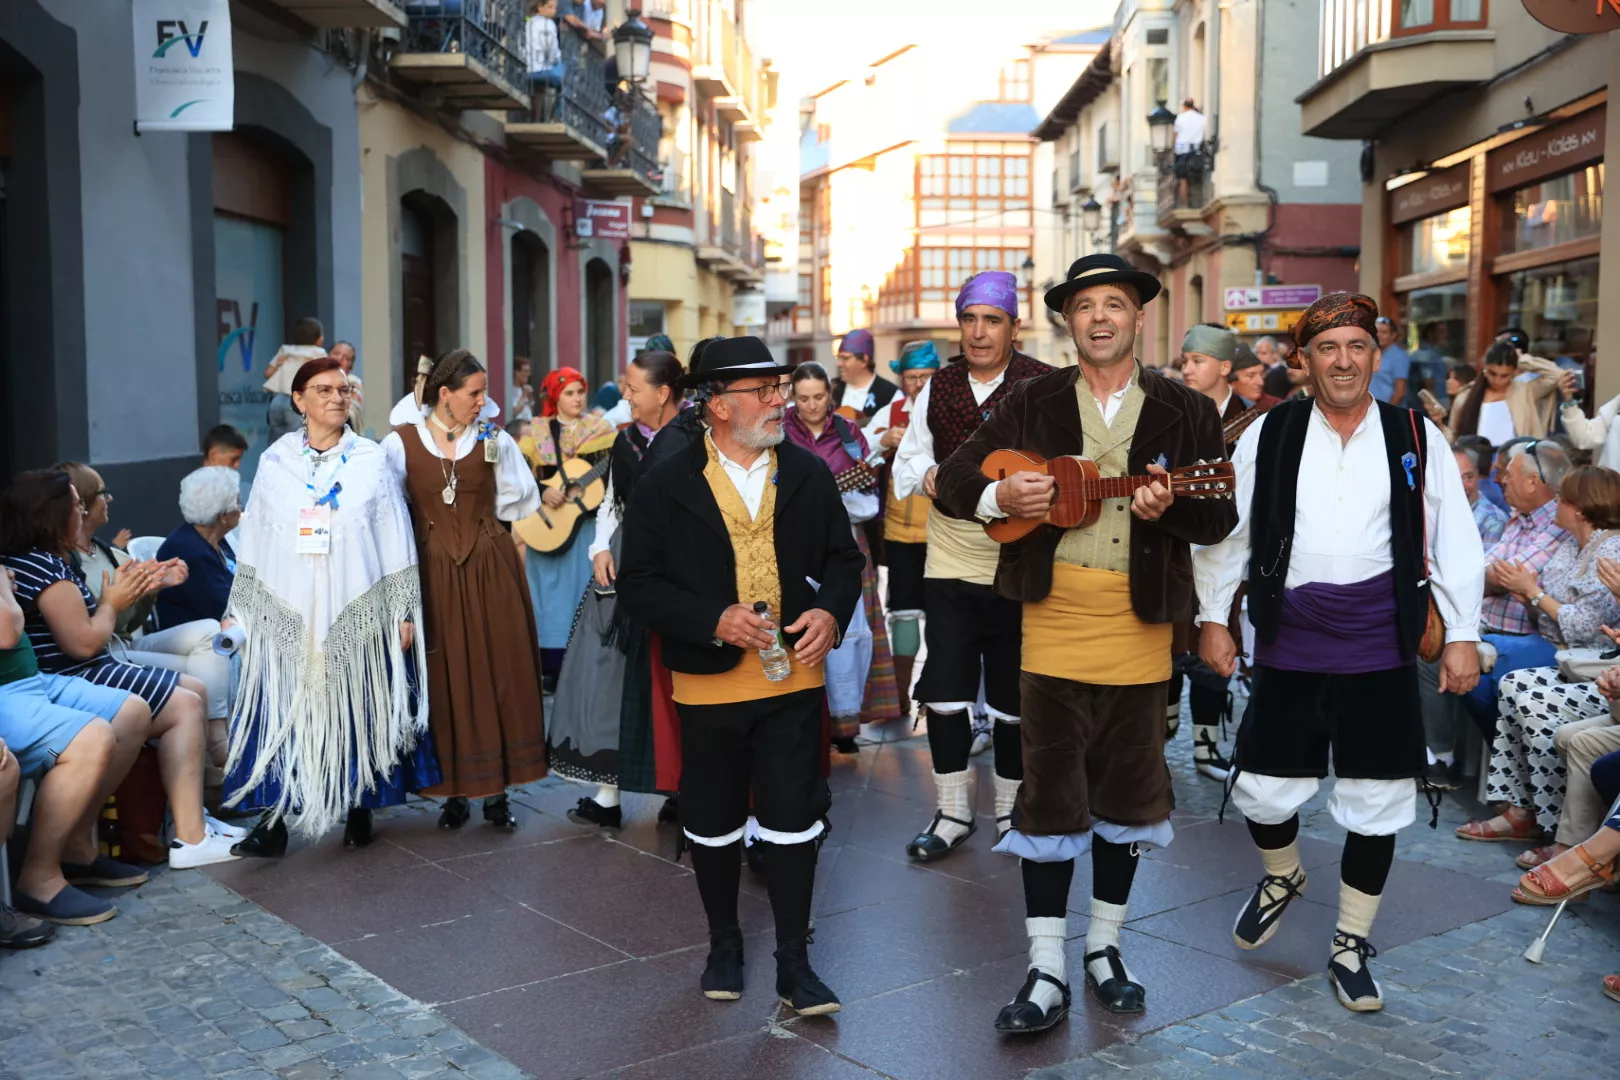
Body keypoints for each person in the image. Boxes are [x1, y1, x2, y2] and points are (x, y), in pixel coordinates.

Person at [931, 255, 1234, 1031]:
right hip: (1051, 621)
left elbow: (1219, 514)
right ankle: (1045, 967)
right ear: (1068, 321)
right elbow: (960, 477)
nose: (1100, 318)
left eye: (1115, 304)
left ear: (1138, 318)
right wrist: (1005, 492)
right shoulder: (1030, 400)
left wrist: (1171, 511)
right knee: (1049, 791)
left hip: (1139, 625)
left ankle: (1103, 947)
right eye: (1085, 306)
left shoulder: (1184, 407)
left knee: (1128, 790)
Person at [1195, 291, 1484, 1014]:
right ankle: (1283, 874)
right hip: (1289, 629)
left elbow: (1453, 538)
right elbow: (1231, 532)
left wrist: (1464, 632)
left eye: (1357, 346)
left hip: (1380, 635)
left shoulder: (1417, 435)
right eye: (1328, 348)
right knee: (1262, 786)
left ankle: (1351, 944)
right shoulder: (1272, 431)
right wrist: (1214, 617)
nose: (1344, 360)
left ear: (1376, 355)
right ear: (1304, 360)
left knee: (1378, 797)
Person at [617, 335, 865, 1015]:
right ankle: (723, 943)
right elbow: (638, 583)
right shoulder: (667, 480)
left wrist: (828, 613)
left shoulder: (808, 474)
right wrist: (711, 617)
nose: (780, 400)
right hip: (707, 681)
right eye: (765, 390)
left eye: (780, 387)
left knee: (793, 818)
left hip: (794, 682)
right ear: (720, 405)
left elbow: (844, 562)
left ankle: (794, 963)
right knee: (714, 818)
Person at [224, 357, 440, 856]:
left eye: (344, 389)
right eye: (324, 390)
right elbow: (253, 536)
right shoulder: (276, 462)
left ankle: (359, 804)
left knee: (358, 704)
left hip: (353, 600)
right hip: (290, 603)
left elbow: (394, 535)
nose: (337, 398)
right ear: (298, 401)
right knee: (284, 709)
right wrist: (241, 606)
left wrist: (402, 611)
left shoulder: (369, 459)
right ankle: (274, 820)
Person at [0, 470, 240, 884]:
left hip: (79, 668)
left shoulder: (53, 559)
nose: (83, 510)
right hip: (74, 670)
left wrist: (139, 593)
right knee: (184, 705)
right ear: (54, 515)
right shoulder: (42, 566)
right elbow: (85, 644)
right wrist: (113, 602)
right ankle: (188, 835)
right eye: (76, 505)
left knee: (191, 694)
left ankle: (188, 824)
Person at [891, 272, 1052, 864]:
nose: (979, 332)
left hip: (1020, 557)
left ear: (1015, 326)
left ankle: (1012, 813)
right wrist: (929, 474)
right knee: (947, 690)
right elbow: (909, 461)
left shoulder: (1045, 385)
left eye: (993, 320)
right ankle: (953, 812)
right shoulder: (937, 387)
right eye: (969, 319)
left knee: (1013, 696)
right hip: (952, 554)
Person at [384, 350, 546, 831]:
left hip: (491, 568)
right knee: (445, 675)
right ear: (444, 395)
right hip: (432, 571)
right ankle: (453, 790)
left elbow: (520, 497)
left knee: (498, 671)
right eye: (474, 392)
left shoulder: (495, 439)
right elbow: (388, 509)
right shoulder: (400, 444)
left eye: (485, 390)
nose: (483, 400)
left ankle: (496, 791)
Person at [558, 350, 688, 828]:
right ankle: (607, 797)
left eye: (633, 389)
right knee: (613, 678)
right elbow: (612, 502)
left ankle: (682, 786)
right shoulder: (627, 440)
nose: (624, 396)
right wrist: (599, 549)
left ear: (663, 392)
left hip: (676, 575)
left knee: (671, 682)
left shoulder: (697, 440)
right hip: (623, 566)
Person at [0, 564, 155, 928]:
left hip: (29, 680)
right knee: (92, 737)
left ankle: (74, 847)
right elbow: (6, 631)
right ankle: (38, 878)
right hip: (5, 693)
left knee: (131, 714)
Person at [783, 362, 900, 751]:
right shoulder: (779, 431)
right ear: (792, 398)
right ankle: (810, 721)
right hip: (791, 544)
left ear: (830, 397)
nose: (812, 405)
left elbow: (869, 496)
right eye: (803, 398)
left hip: (845, 539)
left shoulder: (850, 433)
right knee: (800, 627)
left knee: (852, 629)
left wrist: (838, 502)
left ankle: (845, 724)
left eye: (819, 397)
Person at [1173, 324, 1246, 781]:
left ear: (1224, 367)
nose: (1187, 369)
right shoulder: (1171, 412)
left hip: (1228, 549)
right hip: (1174, 547)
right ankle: (1156, 740)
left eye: (1197, 361)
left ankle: (1207, 747)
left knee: (1213, 641)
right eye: (1184, 361)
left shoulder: (1254, 420)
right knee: (1163, 642)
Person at [517, 367, 618, 691]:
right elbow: (515, 477)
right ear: (554, 396)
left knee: (581, 594)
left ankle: (583, 664)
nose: (577, 398)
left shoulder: (601, 430)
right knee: (546, 597)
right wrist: (541, 489)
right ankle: (548, 666)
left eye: (580, 391)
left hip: (585, 526)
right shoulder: (536, 432)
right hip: (546, 527)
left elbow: (613, 475)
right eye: (569, 393)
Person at [870, 341, 941, 717]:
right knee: (904, 610)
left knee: (944, 613)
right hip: (899, 531)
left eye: (926, 376)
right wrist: (883, 439)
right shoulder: (892, 410)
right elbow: (860, 445)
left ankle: (937, 690)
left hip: (944, 531)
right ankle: (899, 693)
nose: (918, 384)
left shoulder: (950, 406)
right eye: (912, 377)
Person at [1449, 342, 1563, 442]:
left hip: (1515, 460)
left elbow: (1557, 375)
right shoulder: (1466, 395)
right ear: (1485, 368)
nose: (1497, 380)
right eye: (1492, 373)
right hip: (1476, 459)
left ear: (1514, 371)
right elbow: (1453, 434)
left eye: (1504, 375)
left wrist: (1523, 360)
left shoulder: (1524, 391)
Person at [261, 316, 328, 444]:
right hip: (297, 403)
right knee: (297, 444)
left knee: (276, 442)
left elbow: (267, 373)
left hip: (277, 402)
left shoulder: (285, 351)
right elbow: (328, 377)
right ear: (320, 340)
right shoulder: (318, 353)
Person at [829, 329, 898, 425]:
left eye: (845, 358)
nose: (839, 364)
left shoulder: (890, 394)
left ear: (864, 360)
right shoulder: (831, 389)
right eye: (839, 358)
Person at [1456, 444, 1508, 547]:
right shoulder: (1434, 509)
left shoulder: (1493, 521)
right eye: (1453, 477)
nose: (1461, 485)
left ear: (1478, 476)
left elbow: (1487, 562)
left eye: (1468, 477)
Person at [1173, 99, 1207, 205]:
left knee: (1183, 179)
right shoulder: (1202, 118)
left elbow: (1175, 135)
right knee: (1197, 176)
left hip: (1181, 150)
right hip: (1197, 150)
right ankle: (1199, 201)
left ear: (1185, 107)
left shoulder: (1180, 118)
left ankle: (1185, 204)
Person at [1371, 317, 1410, 405]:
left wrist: (1387, 413)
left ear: (1393, 335)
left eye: (1383, 332)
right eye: (1376, 331)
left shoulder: (1398, 356)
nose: (1378, 335)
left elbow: (1400, 391)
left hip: (1387, 412)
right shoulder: (1372, 353)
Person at [330, 341, 364, 431]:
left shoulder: (354, 382)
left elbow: (352, 410)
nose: (340, 358)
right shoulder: (314, 379)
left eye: (347, 358)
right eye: (336, 353)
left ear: (350, 367)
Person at [511, 356, 536, 422]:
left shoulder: (524, 389)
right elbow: (514, 413)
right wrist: (524, 396)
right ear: (517, 372)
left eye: (528, 371)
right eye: (525, 371)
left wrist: (530, 397)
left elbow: (530, 410)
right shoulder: (510, 390)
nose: (528, 374)